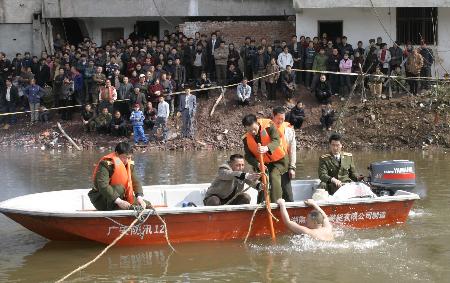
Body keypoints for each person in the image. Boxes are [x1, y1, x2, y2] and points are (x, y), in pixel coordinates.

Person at [88, 142, 150, 210]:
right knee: (119, 188)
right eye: (124, 157)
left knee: (146, 204)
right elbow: (103, 186)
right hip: (101, 199)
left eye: (128, 157)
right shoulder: (106, 164)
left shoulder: (129, 165)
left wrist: (139, 197)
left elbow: (136, 182)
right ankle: (117, 207)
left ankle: (128, 206)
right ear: (117, 154)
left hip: (122, 196)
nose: (126, 160)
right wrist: (119, 202)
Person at [242, 114, 289, 202]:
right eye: (249, 130)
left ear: (257, 123)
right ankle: (261, 204)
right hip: (263, 164)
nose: (253, 132)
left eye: (254, 129)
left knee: (273, 176)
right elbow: (248, 156)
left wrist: (267, 148)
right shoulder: (245, 138)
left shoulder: (269, 126)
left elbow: (276, 140)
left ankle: (276, 203)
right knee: (263, 182)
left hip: (279, 161)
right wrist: (257, 164)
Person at [272, 107, 296, 202]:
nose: (280, 121)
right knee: (272, 192)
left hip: (284, 163)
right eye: (278, 118)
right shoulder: (266, 128)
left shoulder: (289, 130)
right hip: (270, 164)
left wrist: (292, 167)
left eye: (283, 119)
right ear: (273, 116)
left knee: (288, 194)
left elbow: (292, 150)